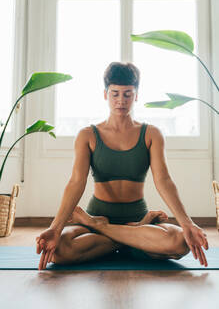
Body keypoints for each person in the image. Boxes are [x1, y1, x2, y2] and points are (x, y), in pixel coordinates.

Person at [36, 62, 209, 271]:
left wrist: (187, 223)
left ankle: (102, 228)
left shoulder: (151, 134)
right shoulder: (87, 135)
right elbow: (76, 182)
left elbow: (163, 181)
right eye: (115, 93)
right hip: (109, 217)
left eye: (127, 94)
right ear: (105, 94)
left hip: (137, 221)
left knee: (181, 242)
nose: (121, 101)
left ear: (136, 95)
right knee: (57, 248)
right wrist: (55, 229)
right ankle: (127, 240)